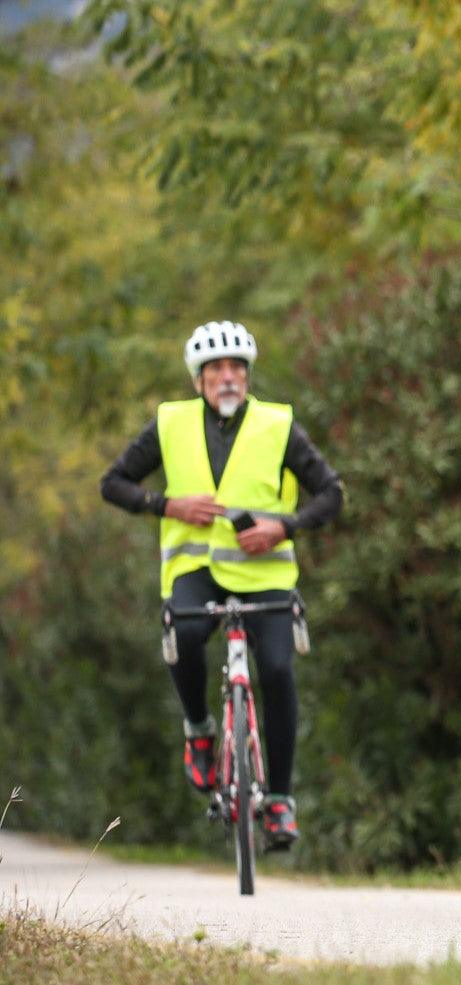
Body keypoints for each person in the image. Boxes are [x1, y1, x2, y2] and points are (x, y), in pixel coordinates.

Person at [100, 320, 345, 848]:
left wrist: (285, 526)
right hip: (195, 571)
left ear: (248, 375)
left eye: (237, 368)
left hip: (267, 574)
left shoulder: (279, 426)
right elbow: (113, 484)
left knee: (278, 671)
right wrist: (166, 505)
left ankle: (279, 799)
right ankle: (199, 732)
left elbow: (331, 494)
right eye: (216, 370)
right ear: (198, 380)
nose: (228, 377)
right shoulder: (169, 424)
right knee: (184, 639)